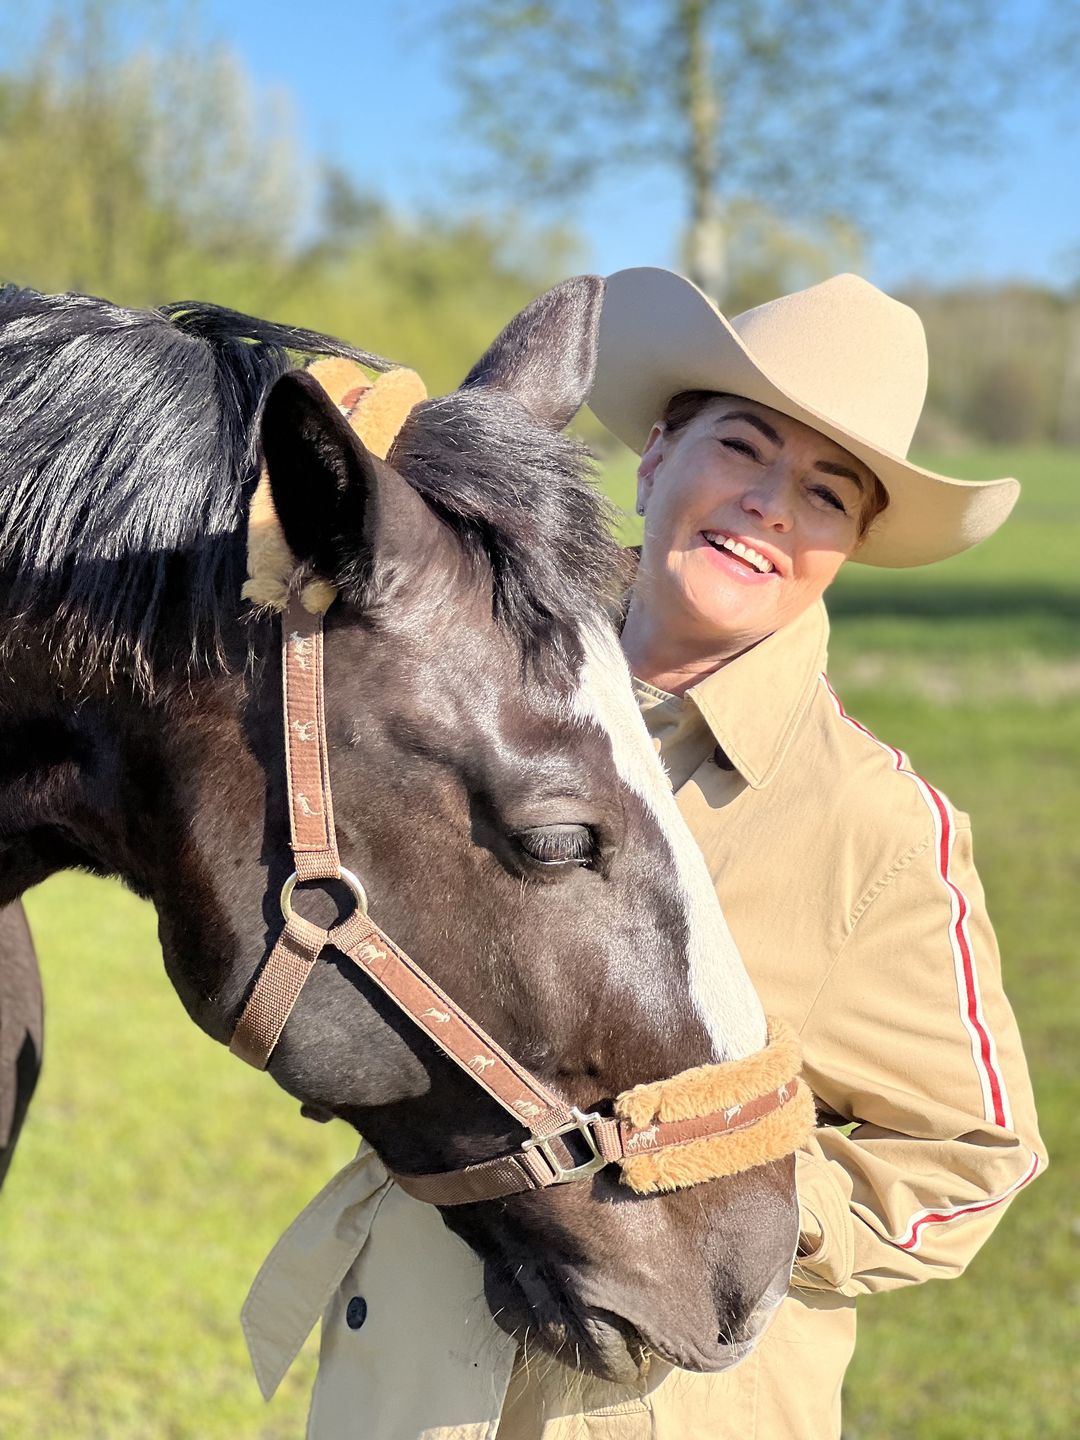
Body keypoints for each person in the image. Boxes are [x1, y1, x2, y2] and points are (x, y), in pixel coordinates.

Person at [242, 269, 1045, 1439]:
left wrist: (732, 1193)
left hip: (643, 1404)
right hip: (404, 1380)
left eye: (826, 493)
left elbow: (972, 1158)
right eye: (742, 448)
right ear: (657, 454)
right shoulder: (464, 690)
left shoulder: (874, 824)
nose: (769, 505)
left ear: (850, 545)